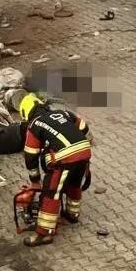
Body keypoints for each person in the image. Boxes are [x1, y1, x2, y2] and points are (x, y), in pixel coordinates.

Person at [16, 91, 92, 247]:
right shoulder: (63, 113)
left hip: (64, 158)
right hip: (84, 151)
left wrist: (35, 181)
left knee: (51, 193)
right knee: (74, 183)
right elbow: (84, 128)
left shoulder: (35, 125)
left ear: (26, 113)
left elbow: (30, 155)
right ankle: (72, 214)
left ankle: (44, 233)